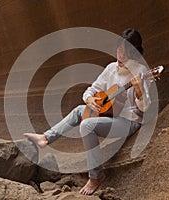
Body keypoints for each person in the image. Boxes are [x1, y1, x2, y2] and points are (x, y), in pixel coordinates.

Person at [23, 28, 151, 195]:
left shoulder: (141, 71)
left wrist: (139, 90)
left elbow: (145, 108)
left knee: (88, 126)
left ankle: (96, 176)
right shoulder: (111, 68)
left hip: (130, 121)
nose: (120, 56)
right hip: (112, 114)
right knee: (79, 111)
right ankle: (46, 137)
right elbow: (91, 90)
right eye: (119, 50)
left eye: (126, 52)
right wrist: (89, 100)